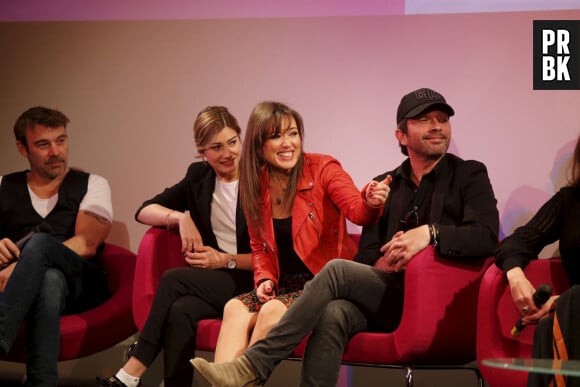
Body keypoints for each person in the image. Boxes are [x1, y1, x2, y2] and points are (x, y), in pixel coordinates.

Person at [190, 87, 500, 387]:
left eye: (442, 120)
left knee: (337, 271)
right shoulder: (387, 182)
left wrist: (428, 235)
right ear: (401, 136)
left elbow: (485, 237)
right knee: (333, 312)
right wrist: (385, 260)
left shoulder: (469, 174)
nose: (436, 127)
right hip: (390, 295)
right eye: (424, 120)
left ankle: (252, 366)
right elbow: (365, 255)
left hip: (438, 301)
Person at [212, 101, 390, 363]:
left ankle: (244, 376)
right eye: (276, 136)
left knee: (271, 310)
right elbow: (259, 245)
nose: (287, 143)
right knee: (234, 308)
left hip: (322, 285)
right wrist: (264, 280)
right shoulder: (256, 183)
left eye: (292, 133)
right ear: (259, 145)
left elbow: (358, 212)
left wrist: (371, 202)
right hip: (284, 286)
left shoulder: (322, 168)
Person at [95, 106, 255, 387]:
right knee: (181, 310)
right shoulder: (199, 177)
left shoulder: (259, 179)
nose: (227, 153)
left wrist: (223, 259)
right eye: (216, 147)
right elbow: (144, 211)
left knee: (173, 279)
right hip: (220, 280)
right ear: (202, 152)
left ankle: (131, 371)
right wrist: (180, 218)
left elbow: (276, 256)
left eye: (232, 142)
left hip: (256, 277)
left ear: (241, 139)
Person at [0, 107, 113, 387]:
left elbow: (86, 243)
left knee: (40, 243)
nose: (55, 151)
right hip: (36, 287)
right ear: (22, 148)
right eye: (43, 144)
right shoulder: (4, 185)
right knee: (50, 279)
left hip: (83, 285)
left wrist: (23, 265)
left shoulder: (93, 184)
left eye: (61, 140)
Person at [495, 133, 580, 387]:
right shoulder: (569, 201)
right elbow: (516, 242)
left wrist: (561, 303)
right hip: (574, 316)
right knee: (548, 327)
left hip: (573, 307)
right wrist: (515, 275)